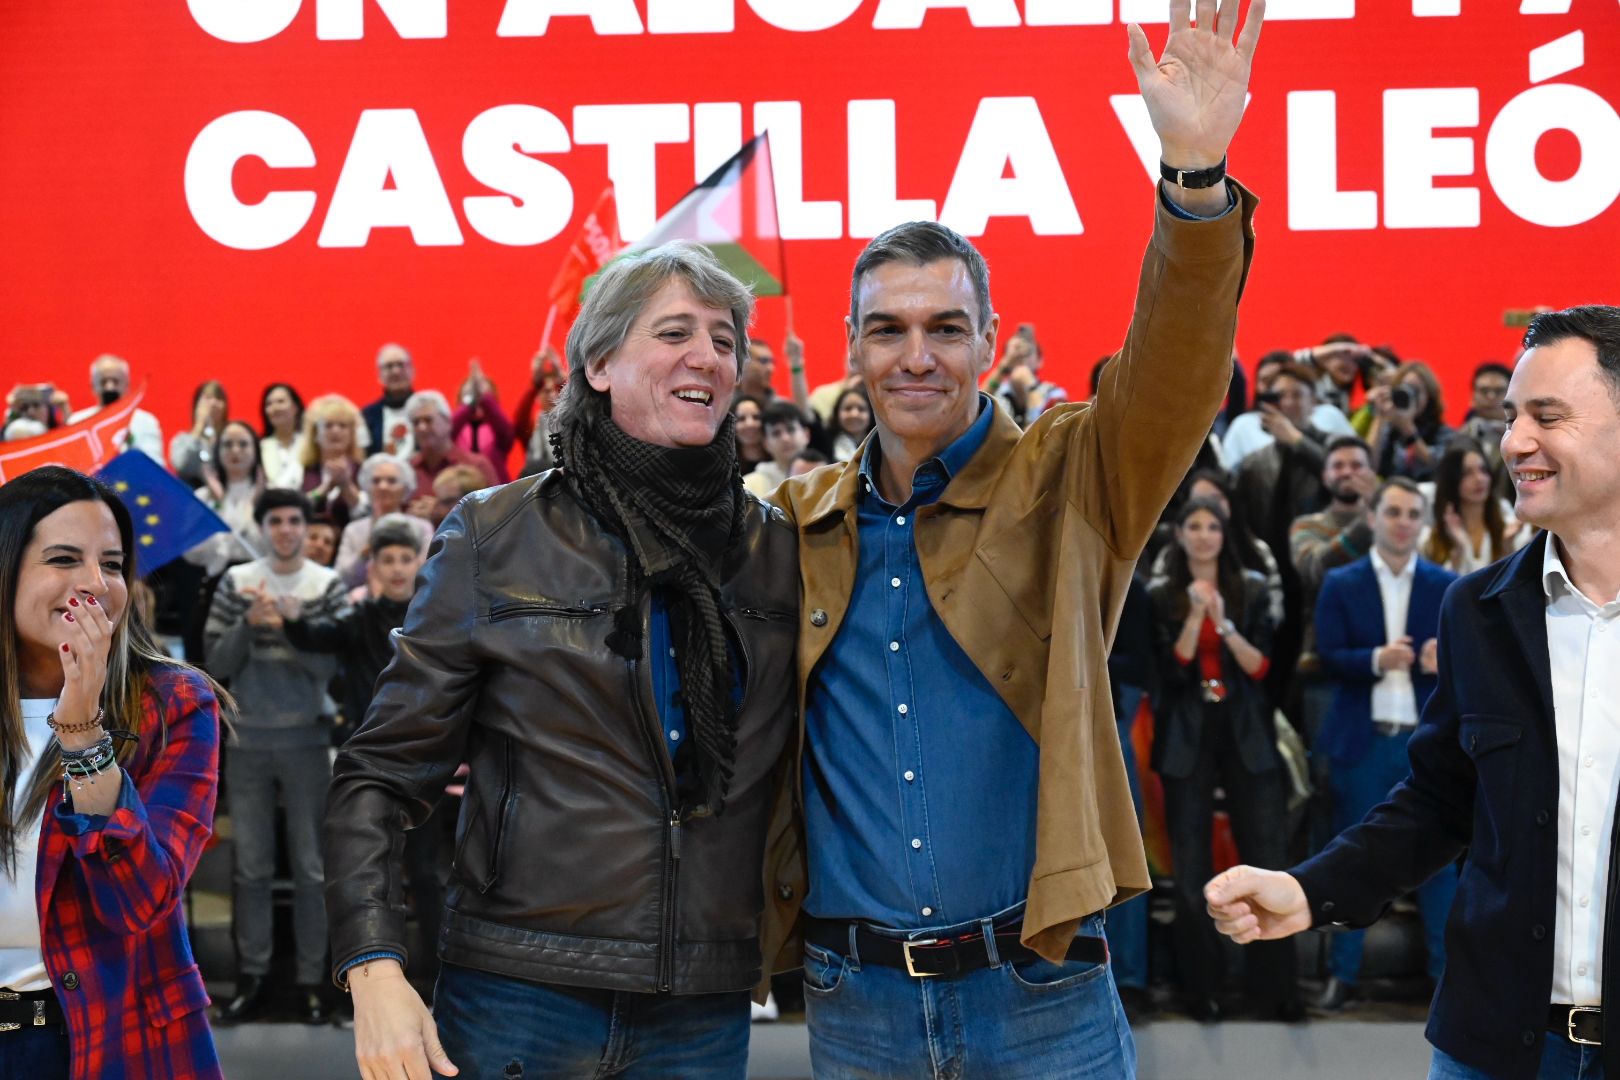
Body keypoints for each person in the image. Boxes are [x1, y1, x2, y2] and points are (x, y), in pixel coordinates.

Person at [766, 4, 1265, 1074]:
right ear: (851, 348)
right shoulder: (794, 526)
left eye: (946, 328)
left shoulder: (1072, 476)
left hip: (1039, 993)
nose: (917, 356)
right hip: (853, 1005)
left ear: (990, 342)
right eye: (888, 329)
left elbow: (1175, 375)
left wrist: (1195, 181)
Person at [325, 241, 798, 1080]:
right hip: (518, 990)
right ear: (600, 362)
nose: (709, 357)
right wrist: (373, 963)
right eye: (675, 332)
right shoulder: (494, 534)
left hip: (704, 1000)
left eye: (725, 340)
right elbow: (380, 772)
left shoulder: (776, 549)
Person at [1205, 305, 1620, 1080]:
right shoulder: (1478, 612)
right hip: (1493, 1051)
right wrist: (1308, 890)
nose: (1514, 442)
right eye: (1511, 417)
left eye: (1548, 416)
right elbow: (1436, 803)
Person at [0, 465, 228, 1079]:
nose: (93, 584)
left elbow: (138, 902)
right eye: (63, 559)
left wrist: (83, 734)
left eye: (112, 564)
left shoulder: (174, 704)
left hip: (106, 1036)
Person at [1311, 478, 1458, 1011]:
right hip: (1363, 741)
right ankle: (1342, 976)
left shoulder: (1447, 585)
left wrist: (1445, 661)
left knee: (1441, 865)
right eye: (1392, 511)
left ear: (1422, 523)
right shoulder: (1341, 582)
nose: (1402, 521)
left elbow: (1471, 666)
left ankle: (1448, 981)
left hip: (1427, 743)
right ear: (1373, 518)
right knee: (1354, 860)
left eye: (1411, 513)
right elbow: (1327, 655)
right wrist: (1376, 659)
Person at [1149, 498, 1296, 1021]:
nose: (1205, 535)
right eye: (1195, 526)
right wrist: (1193, 615)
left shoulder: (1251, 587)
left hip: (1245, 729)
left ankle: (1275, 989)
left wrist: (1224, 624)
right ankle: (1202, 990)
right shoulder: (1160, 593)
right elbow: (1169, 672)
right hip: (1187, 734)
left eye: (1214, 526)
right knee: (1191, 870)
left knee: (1266, 857)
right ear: (1180, 535)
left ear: (1225, 534)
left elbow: (1261, 668)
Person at [204, 488, 347, 1026]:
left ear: (306, 527)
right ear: (262, 525)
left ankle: (313, 980)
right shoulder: (236, 581)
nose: (285, 529)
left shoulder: (326, 584)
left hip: (307, 738)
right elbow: (215, 662)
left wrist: (290, 624)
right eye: (276, 520)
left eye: (294, 520)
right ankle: (253, 978)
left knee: (313, 868)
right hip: (248, 739)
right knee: (251, 868)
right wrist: (250, 624)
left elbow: (330, 669)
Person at [1419, 435, 1528, 576]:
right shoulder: (1431, 539)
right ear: (1452, 480)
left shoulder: (1507, 525)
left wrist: (1507, 547)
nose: (1479, 479)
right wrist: (1460, 549)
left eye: (1483, 470)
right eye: (1467, 473)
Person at [335, 453, 432, 589]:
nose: (383, 486)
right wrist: (367, 550)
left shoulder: (422, 528)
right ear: (366, 487)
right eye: (376, 481)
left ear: (406, 488)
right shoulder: (354, 530)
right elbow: (341, 578)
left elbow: (427, 574)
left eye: (391, 481)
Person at [1366, 360, 1454, 482]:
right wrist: (1380, 416)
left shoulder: (1444, 433)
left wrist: (1408, 430)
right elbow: (1368, 466)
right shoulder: (1389, 429)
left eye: (1416, 390)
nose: (1409, 395)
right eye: (1405, 388)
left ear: (1429, 396)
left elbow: (1439, 466)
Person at [67, 354, 164, 462]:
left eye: (115, 381)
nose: (109, 387)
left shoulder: (146, 422)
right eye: (103, 381)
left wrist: (130, 443)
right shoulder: (76, 422)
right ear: (93, 386)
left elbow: (155, 466)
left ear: (127, 384)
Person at [405, 391, 498, 499]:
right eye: (416, 422)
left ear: (448, 422)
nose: (421, 427)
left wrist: (441, 510)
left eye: (428, 420)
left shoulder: (477, 465)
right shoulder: (408, 470)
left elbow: (495, 510)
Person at [299, 393, 367, 528]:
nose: (336, 431)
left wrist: (346, 486)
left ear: (352, 434)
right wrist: (324, 489)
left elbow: (366, 514)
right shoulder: (302, 469)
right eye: (328, 426)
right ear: (315, 433)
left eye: (343, 426)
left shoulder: (364, 469)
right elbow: (297, 508)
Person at [451, 360, 516, 484]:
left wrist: (485, 397)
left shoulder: (497, 431)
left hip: (495, 492)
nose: (477, 399)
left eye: (480, 395)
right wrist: (469, 402)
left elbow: (506, 433)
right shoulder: (455, 432)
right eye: (471, 394)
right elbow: (447, 433)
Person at [168, 381, 230, 489]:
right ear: (196, 405)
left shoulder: (231, 439)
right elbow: (181, 464)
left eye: (218, 398)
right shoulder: (182, 439)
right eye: (208, 398)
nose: (213, 403)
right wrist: (199, 426)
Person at [743, 400, 811, 497]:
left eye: (791, 429)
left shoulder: (828, 475)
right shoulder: (749, 487)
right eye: (776, 433)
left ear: (806, 435)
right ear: (766, 444)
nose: (785, 438)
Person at [362, 343, 417, 457]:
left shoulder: (428, 409)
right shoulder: (367, 416)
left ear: (412, 370)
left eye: (401, 365)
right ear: (379, 374)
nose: (395, 371)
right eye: (389, 366)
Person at [258, 382, 307, 489]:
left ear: (295, 407)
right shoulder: (260, 447)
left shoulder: (310, 443)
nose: (274, 408)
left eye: (281, 402)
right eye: (269, 404)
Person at [821, 386, 874, 463]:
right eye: (848, 408)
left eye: (861, 409)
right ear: (837, 413)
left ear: (872, 414)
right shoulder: (825, 442)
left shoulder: (881, 444)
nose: (854, 414)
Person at [732, 394, 769, 475]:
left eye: (756, 417)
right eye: (741, 419)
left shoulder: (777, 459)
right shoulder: (725, 467)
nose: (750, 424)